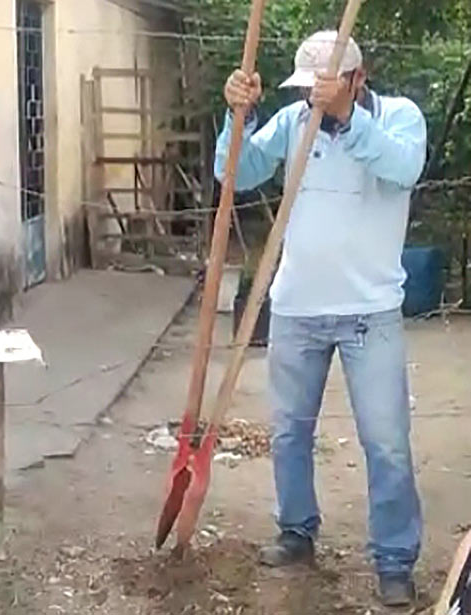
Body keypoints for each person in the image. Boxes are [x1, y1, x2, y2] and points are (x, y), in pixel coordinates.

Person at [215, 30, 426, 607]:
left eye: (324, 87)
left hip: (370, 311)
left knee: (386, 443)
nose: (314, 97)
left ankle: (393, 559)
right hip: (297, 307)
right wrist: (238, 115)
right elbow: (235, 172)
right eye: (307, 88)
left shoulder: (400, 118)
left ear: (357, 79)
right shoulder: (292, 122)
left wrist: (346, 119)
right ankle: (296, 530)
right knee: (288, 433)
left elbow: (402, 168)